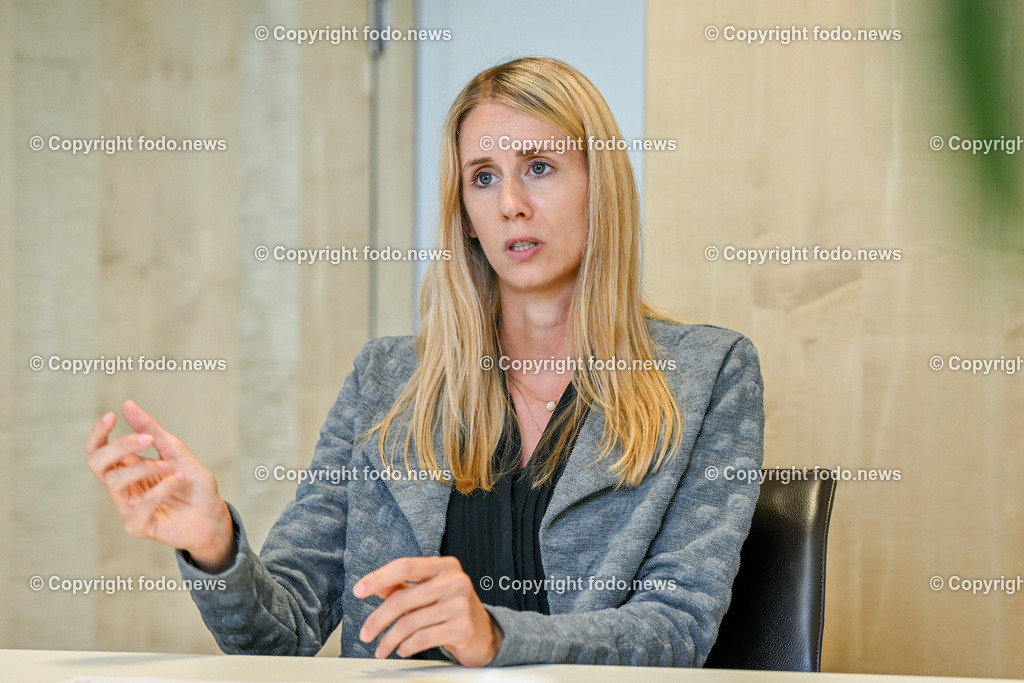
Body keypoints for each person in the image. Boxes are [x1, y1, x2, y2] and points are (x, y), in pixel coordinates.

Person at [84, 56, 764, 668]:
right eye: (483, 178)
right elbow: (282, 633)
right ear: (465, 213)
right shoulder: (385, 381)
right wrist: (215, 546)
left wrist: (494, 637)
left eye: (540, 168)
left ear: (600, 184)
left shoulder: (708, 374)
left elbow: (678, 631)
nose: (511, 205)